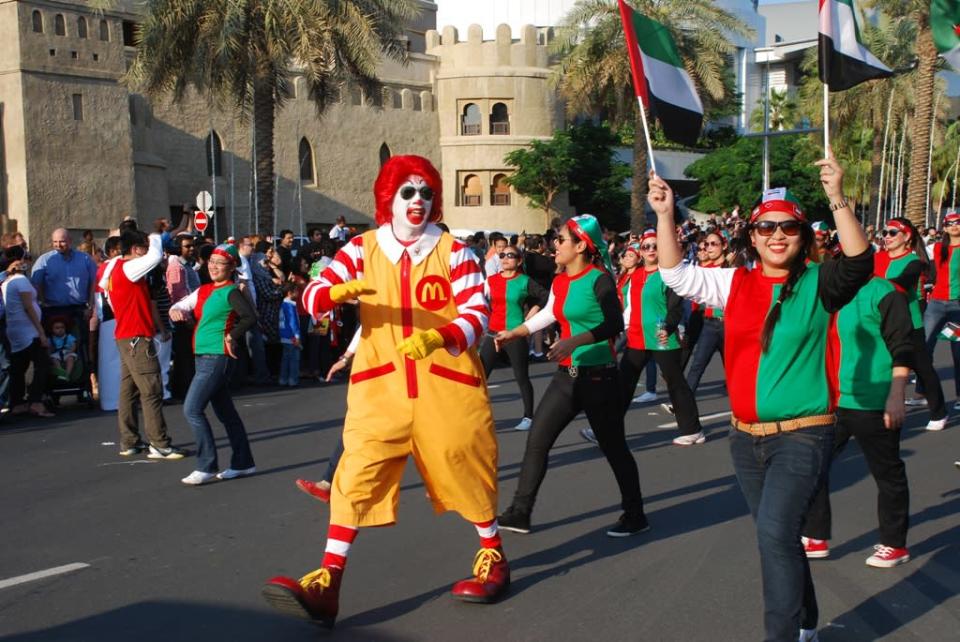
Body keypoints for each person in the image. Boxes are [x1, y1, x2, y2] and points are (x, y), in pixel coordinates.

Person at [263, 155, 508, 627]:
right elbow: (315, 293)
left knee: (466, 464)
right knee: (354, 475)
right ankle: (328, 581)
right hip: (380, 389)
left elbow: (478, 313)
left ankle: (493, 553)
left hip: (447, 385)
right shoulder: (361, 248)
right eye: (408, 192)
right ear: (388, 198)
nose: (419, 201)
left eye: (426, 193)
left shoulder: (455, 252)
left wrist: (442, 336)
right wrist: (331, 295)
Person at [653, 158, 872, 642]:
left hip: (804, 435)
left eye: (789, 226)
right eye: (766, 226)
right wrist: (666, 216)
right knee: (780, 539)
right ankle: (808, 621)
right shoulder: (735, 282)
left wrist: (836, 195)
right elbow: (675, 274)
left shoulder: (820, 282)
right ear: (751, 235)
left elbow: (860, 262)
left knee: (773, 535)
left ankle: (781, 635)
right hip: (745, 441)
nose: (778, 235)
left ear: (802, 235)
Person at [494, 215, 648, 537]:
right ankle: (520, 512)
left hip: (598, 378)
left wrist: (574, 341)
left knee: (614, 448)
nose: (555, 244)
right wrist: (516, 332)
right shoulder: (561, 280)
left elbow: (613, 324)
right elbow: (551, 312)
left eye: (561, 239)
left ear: (581, 246)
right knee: (537, 440)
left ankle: (635, 514)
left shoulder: (599, 279)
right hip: (567, 376)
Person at [802, 270, 913, 568]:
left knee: (887, 473)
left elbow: (903, 344)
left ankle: (894, 544)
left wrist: (897, 392)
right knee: (813, 465)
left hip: (873, 399)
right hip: (833, 399)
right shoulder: (832, 293)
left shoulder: (884, 293)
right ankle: (815, 535)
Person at [170, 244, 258, 485]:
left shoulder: (231, 291)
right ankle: (244, 463)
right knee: (225, 412)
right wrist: (176, 312)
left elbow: (250, 317)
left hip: (216, 356)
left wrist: (231, 336)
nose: (214, 267)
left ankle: (206, 465)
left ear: (230, 268)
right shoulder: (204, 289)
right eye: (212, 262)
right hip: (203, 356)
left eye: (220, 263)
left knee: (192, 409)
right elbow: (179, 305)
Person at [100, 229, 184, 460]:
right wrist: (156, 235)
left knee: (128, 391)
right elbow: (155, 256)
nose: (147, 251)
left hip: (125, 336)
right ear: (136, 249)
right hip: (137, 336)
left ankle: (130, 440)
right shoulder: (130, 268)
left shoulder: (115, 266)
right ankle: (159, 443)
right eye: (143, 247)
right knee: (152, 389)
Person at [620, 230, 704, 446]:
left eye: (655, 246)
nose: (650, 250)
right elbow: (628, 307)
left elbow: (676, 310)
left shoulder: (669, 275)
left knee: (676, 384)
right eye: (646, 246)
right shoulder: (634, 275)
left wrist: (667, 328)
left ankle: (693, 430)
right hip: (637, 337)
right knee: (622, 385)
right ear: (640, 251)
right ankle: (604, 429)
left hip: (661, 337)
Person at [874, 217, 948, 431]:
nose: (886, 237)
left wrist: (874, 287)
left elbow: (902, 283)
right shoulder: (876, 258)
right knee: (879, 368)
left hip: (909, 324)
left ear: (907, 237)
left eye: (892, 233)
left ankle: (939, 411)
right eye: (884, 232)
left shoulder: (914, 261)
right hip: (878, 323)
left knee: (923, 369)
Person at [480, 245, 547, 431]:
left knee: (521, 376)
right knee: (480, 376)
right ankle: (478, 414)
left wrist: (533, 311)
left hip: (515, 334)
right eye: (502, 255)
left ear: (519, 261)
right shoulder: (491, 280)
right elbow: (481, 302)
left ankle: (528, 416)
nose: (505, 258)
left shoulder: (524, 280)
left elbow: (546, 296)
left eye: (511, 255)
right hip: (493, 333)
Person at [2, 246, 54, 417]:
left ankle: (17, 402)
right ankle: (36, 401)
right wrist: (41, 332)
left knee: (19, 365)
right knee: (42, 362)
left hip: (15, 329)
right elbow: (28, 307)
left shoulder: (7, 281)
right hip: (27, 330)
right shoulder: (20, 281)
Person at [920, 210, 960, 418]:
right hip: (936, 303)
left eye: (957, 222)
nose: (954, 226)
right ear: (944, 227)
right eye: (950, 223)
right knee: (924, 347)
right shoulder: (936, 247)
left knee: (958, 351)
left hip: (957, 307)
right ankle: (922, 392)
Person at [684, 230, 728, 395]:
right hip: (709, 323)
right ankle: (684, 402)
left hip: (729, 324)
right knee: (697, 364)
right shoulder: (704, 269)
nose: (709, 248)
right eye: (706, 244)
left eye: (713, 244)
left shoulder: (732, 268)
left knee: (733, 365)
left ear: (724, 246)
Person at [95, 237, 122, 412]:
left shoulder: (110, 266)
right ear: (111, 251)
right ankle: (112, 400)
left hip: (112, 317)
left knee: (117, 361)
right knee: (112, 361)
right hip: (111, 317)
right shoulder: (109, 267)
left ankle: (116, 399)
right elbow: (102, 295)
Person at [278, 282, 302, 387]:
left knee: (285, 359)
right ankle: (293, 380)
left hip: (284, 336)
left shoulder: (283, 304)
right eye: (296, 290)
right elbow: (293, 322)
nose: (298, 292)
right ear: (289, 293)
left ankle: (283, 379)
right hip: (291, 336)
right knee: (294, 359)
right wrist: (297, 336)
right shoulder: (290, 305)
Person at [47, 316, 78, 381]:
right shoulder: (51, 339)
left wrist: (71, 351)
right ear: (52, 329)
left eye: (62, 327)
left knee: (70, 359)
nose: (60, 330)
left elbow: (74, 345)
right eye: (57, 328)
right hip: (56, 353)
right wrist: (49, 354)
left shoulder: (68, 336)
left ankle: (67, 374)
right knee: (54, 359)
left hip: (67, 352)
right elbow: (48, 348)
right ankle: (60, 371)